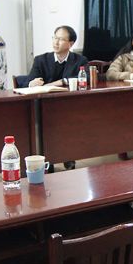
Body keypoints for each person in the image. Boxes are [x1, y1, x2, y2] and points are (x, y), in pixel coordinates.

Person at [26, 25, 87, 171]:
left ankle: (68, 156)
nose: (56, 42)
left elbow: (86, 78)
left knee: (70, 123)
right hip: (43, 107)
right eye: (54, 38)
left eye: (60, 39)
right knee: (47, 125)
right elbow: (29, 80)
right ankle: (49, 161)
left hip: (69, 106)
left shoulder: (79, 60)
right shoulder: (41, 60)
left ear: (70, 43)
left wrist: (62, 81)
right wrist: (32, 83)